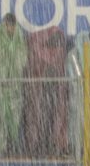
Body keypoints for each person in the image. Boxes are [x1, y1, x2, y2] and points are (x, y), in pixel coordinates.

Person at [0, 13, 28, 158]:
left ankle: (11, 147)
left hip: (14, 86)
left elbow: (22, 58)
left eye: (12, 26)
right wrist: (4, 73)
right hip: (0, 85)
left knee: (14, 118)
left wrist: (14, 69)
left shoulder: (19, 38)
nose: (10, 28)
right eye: (8, 25)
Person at [24, 27, 69, 157]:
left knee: (50, 119)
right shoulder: (40, 49)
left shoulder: (58, 53)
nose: (57, 48)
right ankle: (39, 145)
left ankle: (47, 144)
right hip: (44, 93)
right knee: (41, 120)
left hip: (51, 94)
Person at [65, 31, 90, 158]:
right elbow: (76, 74)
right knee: (77, 120)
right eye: (89, 41)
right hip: (78, 94)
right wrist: (84, 82)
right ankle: (75, 148)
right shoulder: (73, 55)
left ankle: (89, 147)